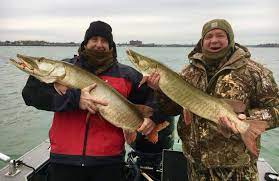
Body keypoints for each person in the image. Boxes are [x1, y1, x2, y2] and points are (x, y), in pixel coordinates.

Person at [22, 21, 159, 181]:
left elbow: (153, 99)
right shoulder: (63, 69)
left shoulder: (127, 75)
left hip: (109, 162)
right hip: (64, 160)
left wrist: (152, 118)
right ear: (85, 43)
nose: (99, 44)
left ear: (111, 46)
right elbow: (30, 95)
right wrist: (75, 99)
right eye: (94, 39)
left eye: (104, 41)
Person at [146, 19, 279, 180]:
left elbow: (275, 108)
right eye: (209, 37)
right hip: (196, 165)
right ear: (202, 42)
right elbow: (171, 109)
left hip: (237, 168)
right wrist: (160, 90)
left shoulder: (254, 72)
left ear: (229, 39)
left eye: (220, 35)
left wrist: (247, 118)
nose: (214, 40)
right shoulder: (188, 73)